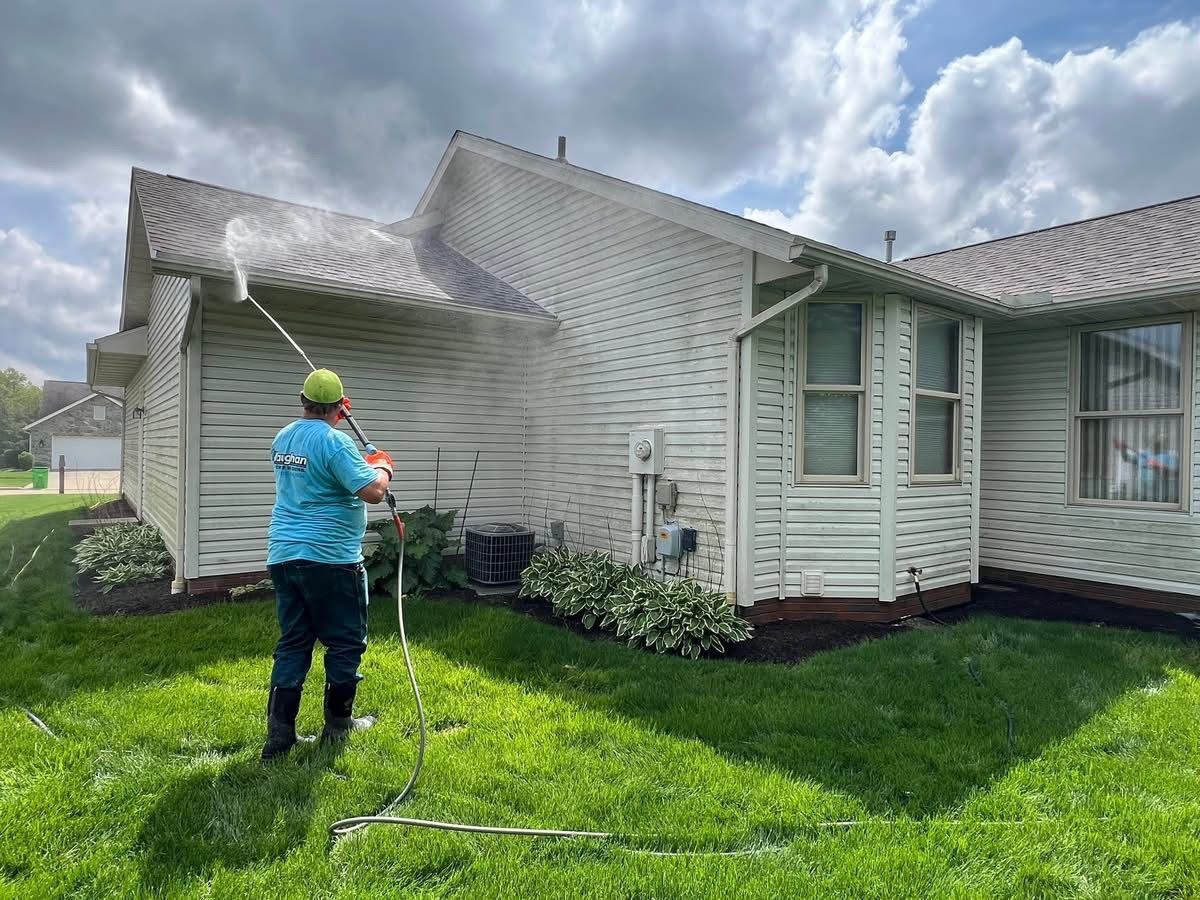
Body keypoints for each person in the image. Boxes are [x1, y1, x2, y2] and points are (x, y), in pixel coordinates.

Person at [261, 368, 394, 762]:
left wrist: (335, 421)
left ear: (302, 401)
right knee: (345, 642)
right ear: (339, 406)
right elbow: (372, 491)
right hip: (331, 560)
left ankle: (279, 737)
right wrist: (383, 465)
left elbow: (317, 461)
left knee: (294, 643)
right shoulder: (336, 444)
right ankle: (338, 726)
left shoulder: (283, 437)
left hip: (285, 556)